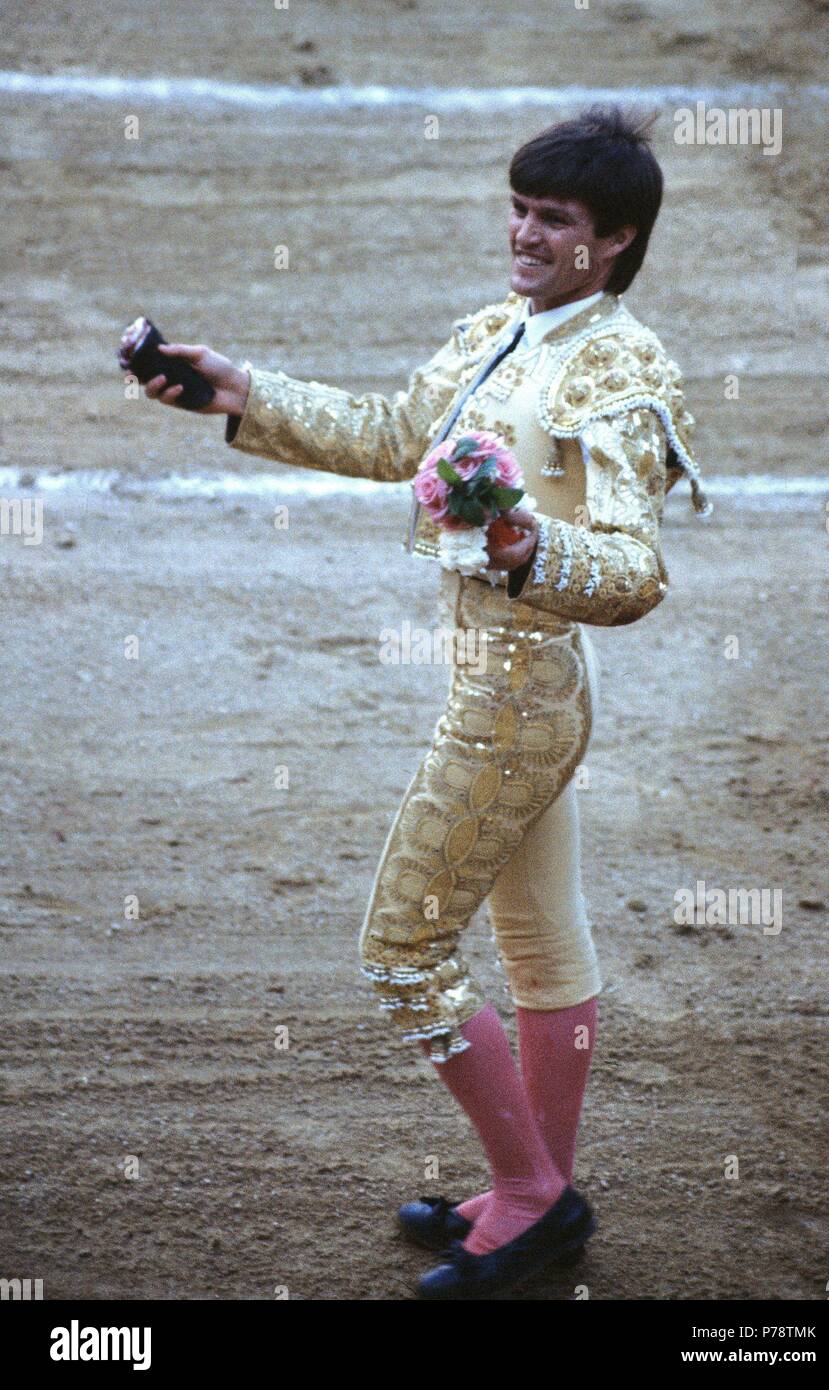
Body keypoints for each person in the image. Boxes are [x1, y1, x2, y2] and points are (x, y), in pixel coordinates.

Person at [141, 104, 710, 1299]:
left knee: (401, 949)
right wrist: (235, 390)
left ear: (611, 240)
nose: (521, 231)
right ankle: (533, 1183)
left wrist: (518, 546)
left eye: (550, 218)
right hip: (498, 674)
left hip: (524, 688)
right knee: (538, 938)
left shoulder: (619, 362)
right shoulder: (499, 332)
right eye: (517, 207)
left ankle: (531, 1197)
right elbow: (396, 431)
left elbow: (636, 568)